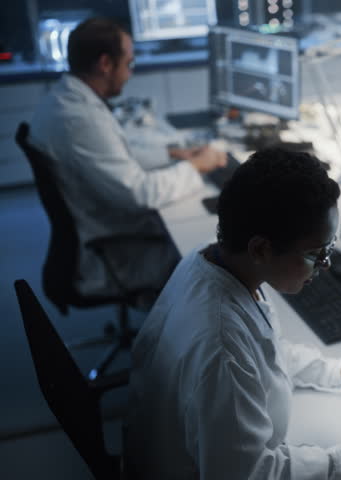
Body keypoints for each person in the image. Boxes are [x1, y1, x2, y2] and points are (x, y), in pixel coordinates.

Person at [125, 147, 341, 479]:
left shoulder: (214, 261)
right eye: (316, 252)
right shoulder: (220, 344)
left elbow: (261, 351)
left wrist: (340, 371)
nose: (325, 265)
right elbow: (251, 475)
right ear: (261, 249)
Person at [28, 18, 226, 303]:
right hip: (113, 249)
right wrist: (195, 166)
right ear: (105, 64)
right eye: (129, 64)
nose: (130, 74)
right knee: (208, 252)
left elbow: (113, 153)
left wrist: (172, 154)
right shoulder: (79, 119)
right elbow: (140, 193)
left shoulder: (67, 99)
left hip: (103, 222)